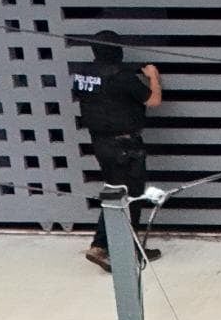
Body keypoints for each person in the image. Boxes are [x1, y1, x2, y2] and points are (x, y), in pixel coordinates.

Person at [64, 37, 163, 271]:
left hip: (100, 143)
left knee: (115, 192)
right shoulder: (123, 78)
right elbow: (154, 100)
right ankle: (105, 247)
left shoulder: (83, 74)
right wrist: (153, 77)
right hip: (125, 145)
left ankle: (118, 246)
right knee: (132, 197)